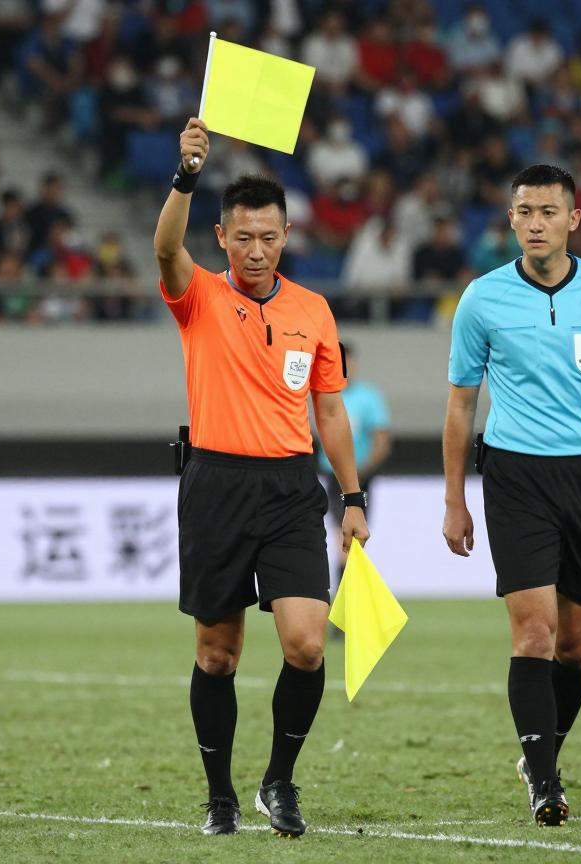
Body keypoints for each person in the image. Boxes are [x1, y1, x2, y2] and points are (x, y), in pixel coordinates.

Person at [155, 117, 369, 838]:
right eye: (242, 237)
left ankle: (279, 780)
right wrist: (187, 174)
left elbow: (330, 410)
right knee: (217, 654)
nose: (255, 249)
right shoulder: (198, 297)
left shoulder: (314, 310)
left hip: (290, 489)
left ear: (286, 236)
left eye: (268, 237)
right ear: (221, 237)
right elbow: (165, 247)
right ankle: (220, 796)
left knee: (307, 644)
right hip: (215, 485)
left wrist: (352, 496)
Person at [441, 165, 581, 827]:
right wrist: (454, 499)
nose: (536, 223)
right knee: (534, 632)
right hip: (515, 477)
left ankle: (539, 753)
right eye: (524, 211)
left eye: (548, 211)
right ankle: (545, 784)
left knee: (575, 646)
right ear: (510, 219)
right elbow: (460, 407)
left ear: (573, 219)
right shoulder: (482, 299)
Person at [316, 342, 391, 608]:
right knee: (344, 538)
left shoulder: (368, 397)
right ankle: (347, 605)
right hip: (332, 477)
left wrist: (361, 472)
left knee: (353, 539)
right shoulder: (324, 395)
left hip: (360, 478)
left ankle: (347, 604)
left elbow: (381, 440)